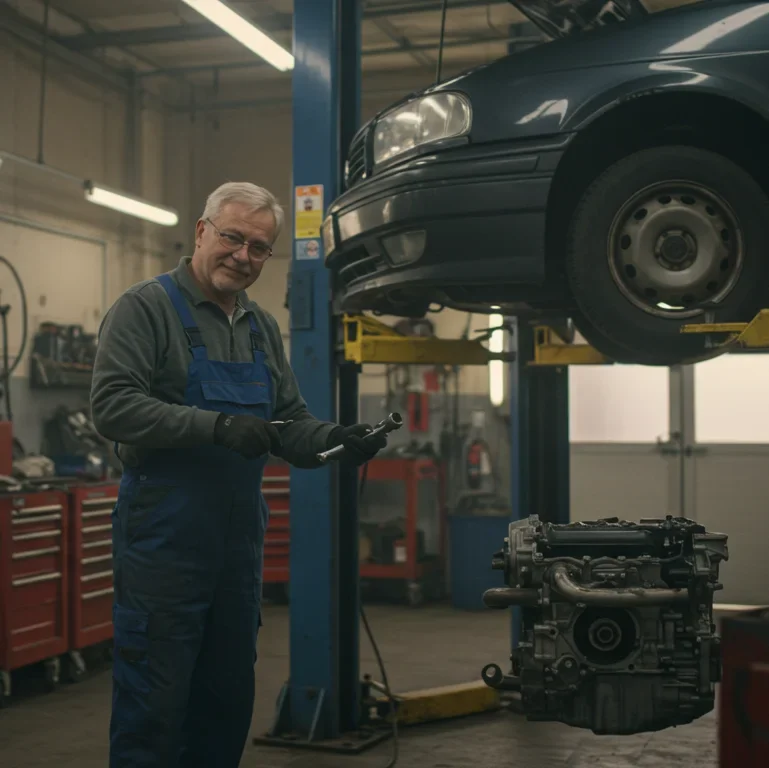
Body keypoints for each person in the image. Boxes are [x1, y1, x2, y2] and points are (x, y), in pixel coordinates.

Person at [90, 181, 388, 767]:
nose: (243, 257)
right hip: (164, 541)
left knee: (226, 701)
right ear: (202, 231)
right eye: (232, 238)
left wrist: (333, 439)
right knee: (154, 701)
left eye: (259, 248)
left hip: (236, 545)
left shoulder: (259, 328)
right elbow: (113, 407)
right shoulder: (144, 307)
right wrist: (217, 425)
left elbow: (288, 421)